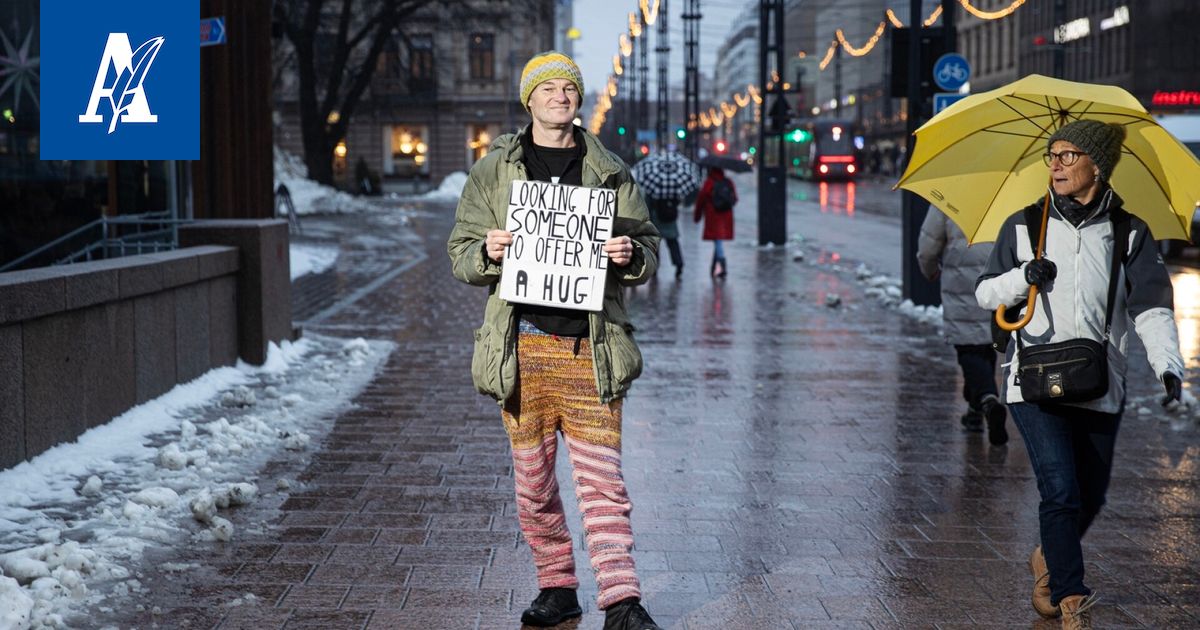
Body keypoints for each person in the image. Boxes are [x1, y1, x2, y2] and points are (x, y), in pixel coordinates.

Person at [446, 51, 663, 630]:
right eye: (548, 90)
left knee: (602, 482)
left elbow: (648, 247)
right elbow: (460, 254)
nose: (559, 97)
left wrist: (631, 255)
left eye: (569, 89)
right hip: (523, 349)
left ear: (579, 99)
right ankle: (557, 587)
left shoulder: (610, 169)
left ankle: (622, 600)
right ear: (530, 100)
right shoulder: (495, 170)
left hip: (591, 350)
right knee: (534, 483)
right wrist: (487, 252)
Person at [976, 120, 1185, 629]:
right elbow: (985, 293)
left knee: (1091, 495)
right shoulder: (1024, 224)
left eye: (1069, 156)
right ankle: (1071, 596)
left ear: (1098, 165)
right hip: (1032, 378)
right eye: (1053, 155)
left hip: (1099, 382)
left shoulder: (1128, 231)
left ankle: (1048, 555)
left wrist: (1167, 366)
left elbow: (1151, 307)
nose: (1057, 164)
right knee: (1061, 490)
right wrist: (1022, 277)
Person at [916, 210, 1009, 445]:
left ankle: (988, 400)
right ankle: (974, 411)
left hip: (962, 281)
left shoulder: (949, 195)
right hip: (998, 277)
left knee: (969, 348)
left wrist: (929, 270)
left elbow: (928, 245)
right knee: (986, 343)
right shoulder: (1006, 190)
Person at [694, 167, 736, 278]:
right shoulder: (728, 182)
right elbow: (735, 199)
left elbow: (700, 200)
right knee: (718, 241)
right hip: (726, 217)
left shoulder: (709, 183)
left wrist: (697, 216)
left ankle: (723, 265)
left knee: (718, 241)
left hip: (713, 216)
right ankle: (713, 267)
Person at [646, 195, 684, 279]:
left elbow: (648, 205)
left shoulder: (653, 189)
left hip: (656, 219)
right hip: (670, 220)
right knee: (673, 244)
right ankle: (679, 263)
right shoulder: (672, 187)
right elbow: (677, 202)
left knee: (655, 246)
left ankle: (654, 267)